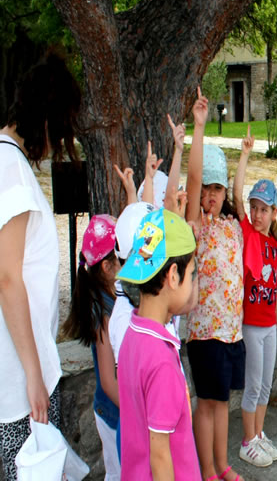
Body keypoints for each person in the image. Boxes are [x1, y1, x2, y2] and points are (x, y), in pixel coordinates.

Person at [0, 53, 80, 481]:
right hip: (18, 383)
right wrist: (34, 373)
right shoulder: (10, 169)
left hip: (23, 372)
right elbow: (8, 277)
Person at [185, 88, 245, 481]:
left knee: (222, 402)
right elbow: (192, 182)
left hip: (230, 332)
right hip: (204, 333)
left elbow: (239, 193)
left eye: (216, 188)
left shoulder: (232, 226)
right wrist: (199, 127)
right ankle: (206, 469)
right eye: (206, 188)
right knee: (206, 403)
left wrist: (245, 157)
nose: (209, 195)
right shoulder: (196, 227)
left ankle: (221, 464)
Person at [116, 208, 200, 480]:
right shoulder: (161, 360)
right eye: (192, 274)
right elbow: (160, 456)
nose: (193, 282)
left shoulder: (133, 334)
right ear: (173, 275)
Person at [233, 126, 277, 466]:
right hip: (252, 324)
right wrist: (245, 154)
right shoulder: (249, 235)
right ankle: (247, 440)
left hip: (269, 325)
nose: (257, 214)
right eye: (255, 208)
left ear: (274, 212)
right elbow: (237, 197)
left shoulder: (274, 246)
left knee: (266, 384)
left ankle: (259, 433)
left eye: (263, 209)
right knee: (253, 385)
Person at [62, 215, 121, 481]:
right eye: (123, 255)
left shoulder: (109, 297)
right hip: (115, 411)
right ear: (107, 267)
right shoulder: (105, 313)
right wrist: (137, 413)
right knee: (121, 474)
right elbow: (108, 381)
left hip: (113, 409)